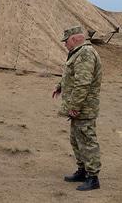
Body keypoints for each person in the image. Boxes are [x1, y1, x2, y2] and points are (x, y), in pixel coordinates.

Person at [52, 25, 102, 191]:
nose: (65, 44)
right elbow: (72, 75)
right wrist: (60, 86)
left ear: (74, 39)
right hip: (80, 107)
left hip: (84, 108)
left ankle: (93, 177)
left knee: (87, 141)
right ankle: (82, 171)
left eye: (66, 41)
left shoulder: (86, 54)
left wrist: (74, 107)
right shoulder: (78, 53)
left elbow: (83, 83)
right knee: (76, 140)